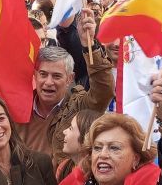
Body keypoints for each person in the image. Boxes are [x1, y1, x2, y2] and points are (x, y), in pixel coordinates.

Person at [17, 16, 114, 164]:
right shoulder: (19, 106)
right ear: (35, 75)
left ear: (70, 78)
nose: (48, 82)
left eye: (56, 76)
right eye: (43, 74)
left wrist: (89, 45)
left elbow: (104, 90)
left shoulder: (80, 106)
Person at [57, 108, 101, 180]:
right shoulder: (64, 167)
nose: (64, 131)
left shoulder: (99, 174)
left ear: (85, 137)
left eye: (71, 128)